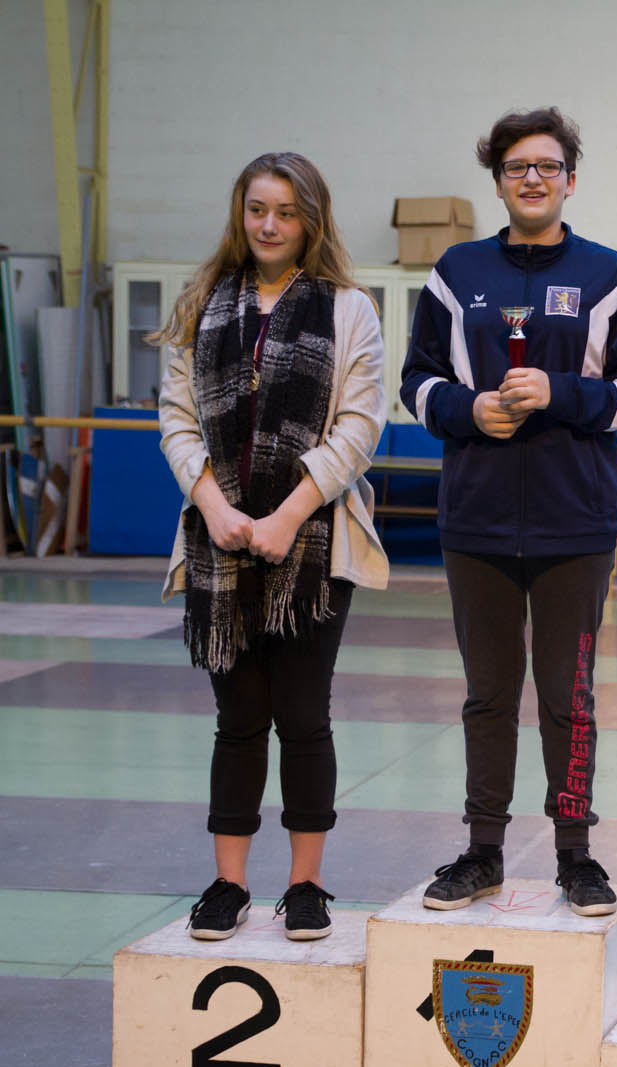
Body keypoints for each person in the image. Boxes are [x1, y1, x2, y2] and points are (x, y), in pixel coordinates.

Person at [399, 107, 617, 917]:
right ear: (499, 181)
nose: (534, 178)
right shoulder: (456, 272)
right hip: (476, 520)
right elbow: (416, 381)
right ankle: (482, 851)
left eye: (548, 166)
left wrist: (561, 393)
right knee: (487, 695)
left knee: (567, 697)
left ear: (570, 180)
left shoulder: (609, 276)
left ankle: (575, 855)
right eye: (518, 167)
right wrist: (469, 409)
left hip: (574, 523)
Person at [155, 152, 388, 942]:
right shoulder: (202, 304)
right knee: (237, 719)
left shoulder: (350, 310)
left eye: (286, 212)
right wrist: (213, 504)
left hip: (313, 544)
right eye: (258, 208)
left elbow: (358, 427)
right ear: (240, 213)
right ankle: (228, 884)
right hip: (219, 542)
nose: (269, 224)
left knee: (303, 714)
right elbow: (176, 419)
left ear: (310, 220)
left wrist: (288, 514)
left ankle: (305, 886)